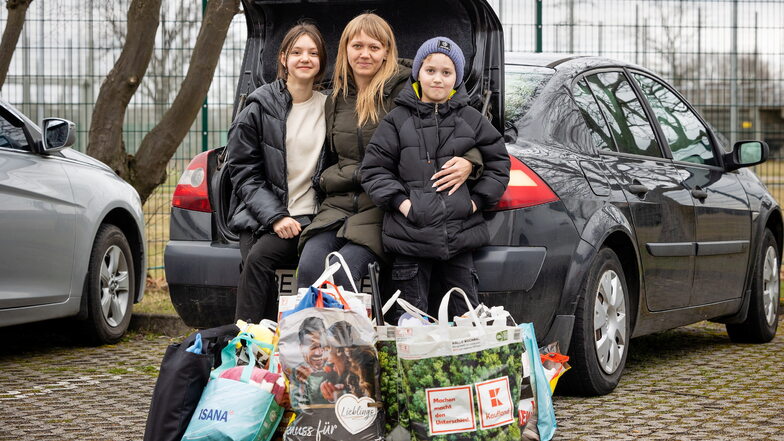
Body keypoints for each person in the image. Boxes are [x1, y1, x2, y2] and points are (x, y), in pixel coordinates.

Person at [296, 13, 480, 291]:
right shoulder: (336, 97)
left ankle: (349, 334)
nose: (365, 54)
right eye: (357, 46)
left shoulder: (410, 89)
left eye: (374, 47)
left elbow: (454, 124)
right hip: (337, 205)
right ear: (345, 49)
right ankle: (310, 335)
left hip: (383, 207)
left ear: (386, 52)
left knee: (341, 273)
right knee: (309, 267)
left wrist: (469, 160)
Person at [360, 37, 510, 321]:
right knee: (409, 321)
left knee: (466, 319)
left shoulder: (472, 119)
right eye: (430, 71)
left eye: (446, 72)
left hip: (459, 238)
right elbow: (374, 169)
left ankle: (465, 365)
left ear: (457, 79)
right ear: (417, 72)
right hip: (410, 239)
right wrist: (404, 205)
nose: (438, 79)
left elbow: (499, 164)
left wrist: (474, 204)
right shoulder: (397, 120)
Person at [225, 22, 329, 323]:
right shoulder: (258, 107)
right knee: (257, 260)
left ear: (321, 60)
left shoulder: (331, 107)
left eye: (312, 52)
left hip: (315, 218)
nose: (305, 58)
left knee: (263, 260)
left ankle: (284, 347)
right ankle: (248, 344)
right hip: (269, 216)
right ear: (283, 58)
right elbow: (244, 172)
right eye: (296, 52)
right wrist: (277, 216)